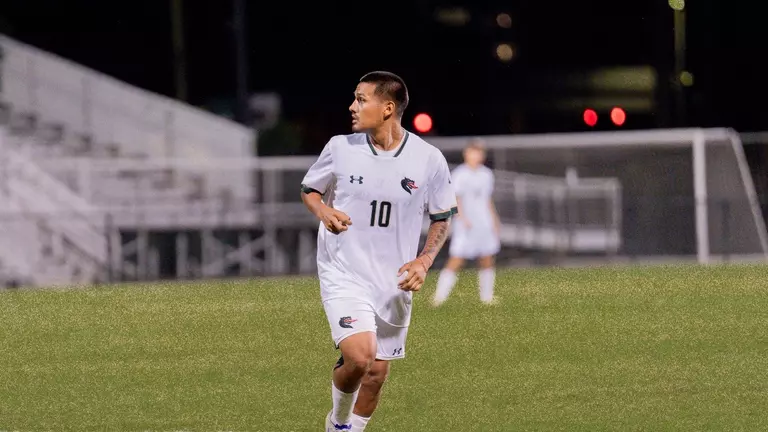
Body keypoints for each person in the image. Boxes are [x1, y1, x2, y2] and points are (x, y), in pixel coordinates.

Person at [300, 71, 457, 431]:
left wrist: (424, 260)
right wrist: (323, 211)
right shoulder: (340, 147)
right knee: (359, 357)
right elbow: (309, 189)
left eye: (360, 99)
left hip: (393, 280)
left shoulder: (428, 159)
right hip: (344, 271)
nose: (352, 106)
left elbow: (442, 216)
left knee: (375, 375)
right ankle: (337, 422)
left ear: (387, 108)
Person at [433, 139, 501, 306]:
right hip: (467, 225)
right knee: (457, 259)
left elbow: (487, 200)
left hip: (483, 223)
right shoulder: (460, 174)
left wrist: (494, 220)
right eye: (473, 152)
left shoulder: (486, 174)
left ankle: (487, 297)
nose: (476, 155)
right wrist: (462, 218)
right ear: (466, 153)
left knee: (486, 258)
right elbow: (456, 199)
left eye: (479, 152)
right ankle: (439, 297)